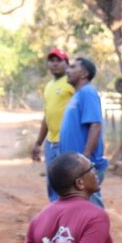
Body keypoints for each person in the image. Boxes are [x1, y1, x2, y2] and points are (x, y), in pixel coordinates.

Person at [58, 57, 107, 208]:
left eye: (73, 67)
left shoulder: (88, 93)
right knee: (76, 209)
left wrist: (85, 159)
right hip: (74, 166)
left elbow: (95, 125)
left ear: (84, 74)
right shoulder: (77, 95)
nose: (67, 70)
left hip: (83, 167)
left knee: (91, 208)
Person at [30, 48, 75, 201]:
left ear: (66, 63)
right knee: (53, 184)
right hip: (51, 143)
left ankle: (71, 214)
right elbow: (47, 116)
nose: (55, 64)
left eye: (59, 61)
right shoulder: (49, 86)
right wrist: (38, 143)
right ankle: (56, 213)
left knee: (69, 183)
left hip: (67, 142)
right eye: (51, 61)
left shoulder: (71, 83)